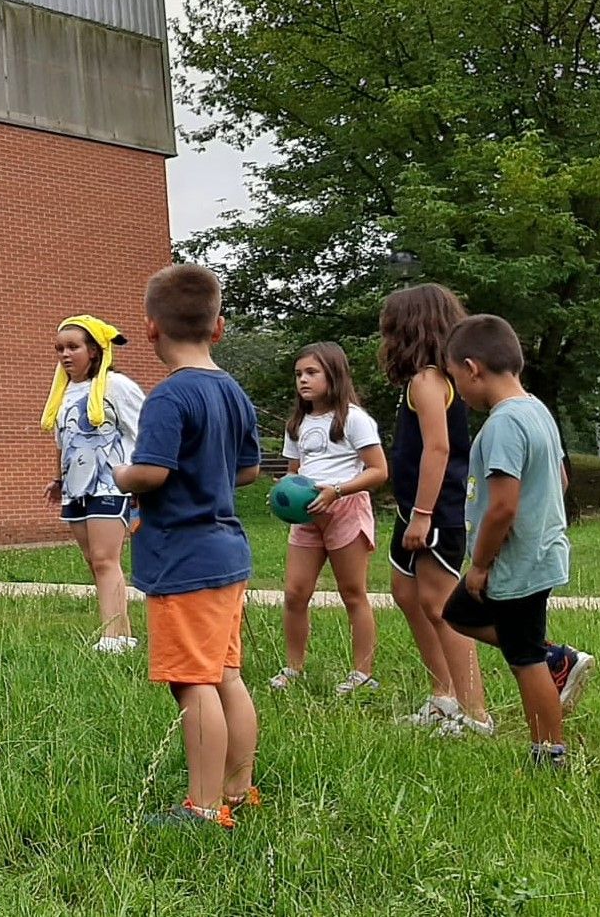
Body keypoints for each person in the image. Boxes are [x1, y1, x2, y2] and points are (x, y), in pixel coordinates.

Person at [113, 265, 260, 829]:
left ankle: (201, 809)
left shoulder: (170, 397)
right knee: (225, 675)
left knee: (192, 683)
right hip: (229, 554)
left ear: (150, 330)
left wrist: (124, 475)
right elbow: (246, 471)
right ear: (218, 328)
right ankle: (238, 792)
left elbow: (151, 471)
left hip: (185, 560)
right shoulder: (233, 393)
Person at [441, 315, 595, 766]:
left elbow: (503, 506)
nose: (459, 393)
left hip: (515, 563)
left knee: (525, 658)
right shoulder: (537, 410)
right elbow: (560, 479)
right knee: (458, 613)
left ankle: (549, 752)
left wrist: (482, 563)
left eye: (455, 379)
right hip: (541, 553)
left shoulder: (503, 424)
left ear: (472, 368)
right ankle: (555, 659)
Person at [379, 284, 492, 736]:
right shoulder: (424, 380)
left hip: (434, 512)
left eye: (389, 327)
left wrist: (423, 513)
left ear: (409, 328)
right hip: (413, 509)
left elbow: (438, 449)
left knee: (443, 606)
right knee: (406, 594)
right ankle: (443, 696)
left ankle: (476, 714)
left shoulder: (428, 381)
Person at [270, 342, 388, 694]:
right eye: (298, 374)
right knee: (294, 593)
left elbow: (379, 470)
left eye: (311, 373)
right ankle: (294, 668)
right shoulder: (298, 423)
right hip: (307, 517)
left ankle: (362, 674)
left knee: (353, 593)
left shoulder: (354, 419)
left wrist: (337, 490)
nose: (303, 381)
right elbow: (294, 473)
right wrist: (282, 493)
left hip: (345, 510)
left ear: (333, 375)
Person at [42, 315, 144, 654]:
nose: (65, 355)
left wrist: (143, 482)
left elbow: (145, 433)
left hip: (110, 484)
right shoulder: (64, 391)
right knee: (94, 562)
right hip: (76, 488)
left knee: (105, 559)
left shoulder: (118, 387)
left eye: (73, 347)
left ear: (95, 351)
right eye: (59, 349)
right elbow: (62, 441)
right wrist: (58, 480)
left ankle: (110, 639)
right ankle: (123, 635)